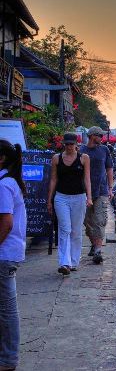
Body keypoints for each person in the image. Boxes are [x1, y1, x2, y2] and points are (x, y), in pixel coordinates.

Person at [48, 132, 92, 274]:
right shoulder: (56, 158)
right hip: (61, 197)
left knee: (76, 231)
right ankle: (64, 263)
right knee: (64, 229)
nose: (69, 147)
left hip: (79, 197)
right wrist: (49, 199)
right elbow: (53, 179)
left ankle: (73, 262)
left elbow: (87, 179)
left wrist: (89, 197)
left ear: (76, 144)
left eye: (71, 144)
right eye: (66, 144)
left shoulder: (84, 158)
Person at [0, 140, 26, 371]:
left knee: (7, 309)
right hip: (9, 252)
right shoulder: (8, 181)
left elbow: (6, 222)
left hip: (4, 253)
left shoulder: (4, 184)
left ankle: (8, 359)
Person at [82, 126, 114, 264]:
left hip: (101, 191)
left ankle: (98, 251)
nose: (101, 138)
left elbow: (109, 168)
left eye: (102, 136)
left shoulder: (104, 150)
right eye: (99, 135)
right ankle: (94, 243)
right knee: (87, 222)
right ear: (91, 136)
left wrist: (110, 188)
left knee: (100, 221)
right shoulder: (81, 150)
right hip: (83, 192)